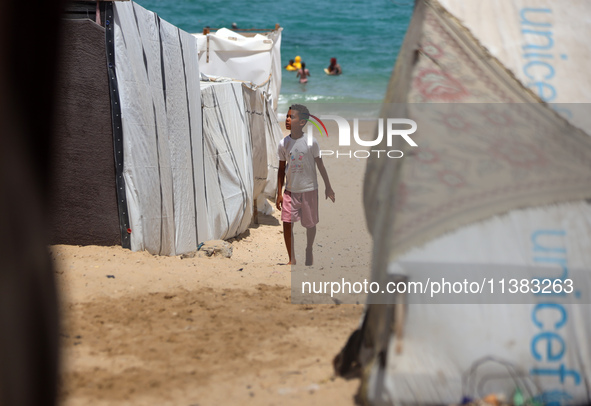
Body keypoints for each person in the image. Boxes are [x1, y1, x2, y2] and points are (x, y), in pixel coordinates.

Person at [276, 104, 335, 266]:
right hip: (290, 191)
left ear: (302, 122)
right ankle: (291, 259)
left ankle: (309, 248)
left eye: (291, 117)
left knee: (310, 225)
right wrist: (279, 193)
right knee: (287, 223)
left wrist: (328, 186)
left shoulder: (311, 142)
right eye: (287, 116)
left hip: (309, 190)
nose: (287, 119)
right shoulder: (283, 144)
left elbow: (320, 165)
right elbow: (281, 170)